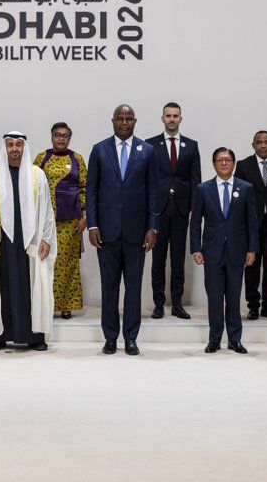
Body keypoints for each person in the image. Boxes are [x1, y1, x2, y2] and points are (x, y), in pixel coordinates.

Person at [87, 105, 159, 355]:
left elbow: (153, 191)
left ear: (135, 122)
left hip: (136, 232)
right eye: (120, 118)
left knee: (134, 288)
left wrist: (153, 227)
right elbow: (92, 190)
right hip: (106, 231)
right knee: (109, 287)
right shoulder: (99, 149)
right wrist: (93, 224)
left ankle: (130, 337)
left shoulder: (147, 150)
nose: (125, 122)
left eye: (129, 119)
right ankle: (110, 337)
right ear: (113, 121)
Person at [0, 132, 57, 351]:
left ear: (24, 148)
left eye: (18, 145)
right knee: (1, 285)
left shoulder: (37, 174)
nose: (14, 149)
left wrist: (46, 238)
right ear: (5, 148)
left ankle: (36, 336)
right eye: (10, 145)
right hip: (1, 241)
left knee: (32, 285)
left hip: (31, 241)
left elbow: (47, 211)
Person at [190, 148, 258, 354]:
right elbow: (195, 222)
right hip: (211, 252)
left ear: (234, 163)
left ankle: (235, 339)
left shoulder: (246, 188)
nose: (224, 163)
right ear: (213, 164)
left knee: (234, 298)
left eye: (228, 160)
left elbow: (252, 221)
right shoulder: (203, 189)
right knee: (215, 299)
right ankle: (214, 339)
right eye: (219, 160)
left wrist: (252, 249)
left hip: (237, 251)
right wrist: (196, 249)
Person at [145, 102, 201, 319]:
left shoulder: (191, 146)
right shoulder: (150, 145)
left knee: (178, 259)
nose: (171, 119)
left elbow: (196, 180)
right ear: (162, 119)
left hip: (181, 209)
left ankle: (177, 304)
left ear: (180, 119)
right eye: (168, 115)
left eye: (175, 116)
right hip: (158, 210)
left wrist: (195, 208)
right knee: (158, 259)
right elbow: (146, 180)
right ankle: (159, 304)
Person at [33, 122, 86, 319]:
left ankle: (66, 305)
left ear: (69, 139)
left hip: (70, 220)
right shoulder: (41, 158)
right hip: (44, 219)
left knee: (67, 262)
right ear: (52, 137)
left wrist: (85, 216)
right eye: (58, 135)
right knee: (45, 260)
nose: (61, 138)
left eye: (65, 136)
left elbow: (85, 188)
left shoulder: (77, 159)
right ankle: (45, 303)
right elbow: (32, 186)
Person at [234, 130, 267, 320]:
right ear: (253, 145)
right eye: (259, 142)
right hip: (251, 226)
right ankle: (253, 306)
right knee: (252, 266)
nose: (263, 145)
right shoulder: (243, 165)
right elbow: (238, 198)